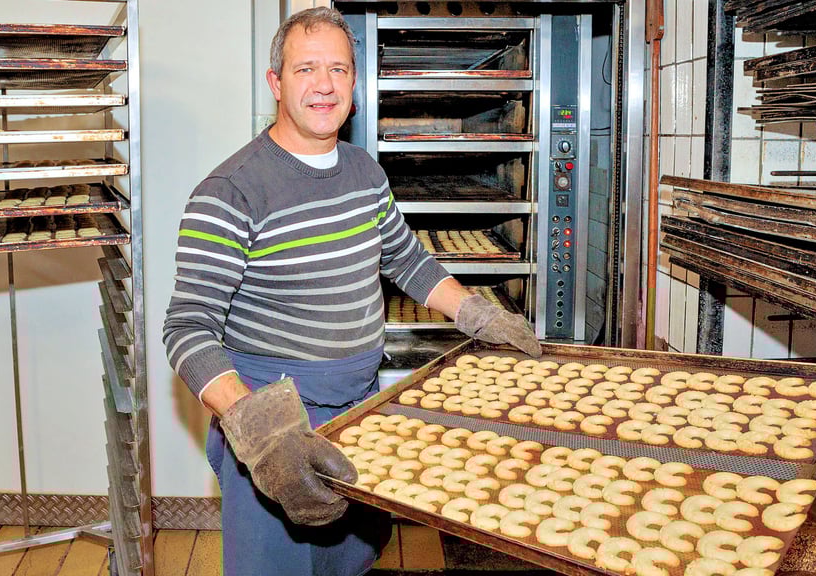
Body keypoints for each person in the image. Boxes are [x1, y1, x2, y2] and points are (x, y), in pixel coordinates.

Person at [162, 7, 541, 576]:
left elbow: (407, 260)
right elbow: (187, 328)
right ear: (275, 83)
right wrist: (263, 433)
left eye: (339, 69)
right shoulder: (231, 190)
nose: (324, 85)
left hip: (360, 411)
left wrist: (478, 315)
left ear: (354, 84)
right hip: (278, 422)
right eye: (306, 69)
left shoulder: (365, 172)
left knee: (348, 563)